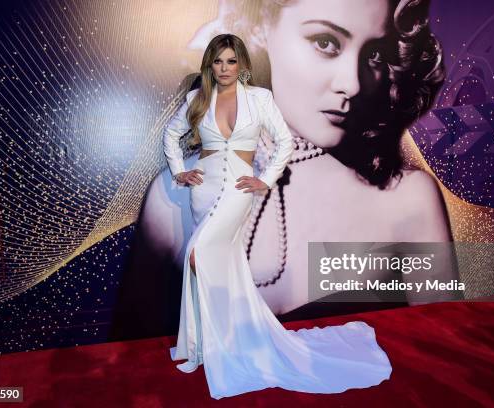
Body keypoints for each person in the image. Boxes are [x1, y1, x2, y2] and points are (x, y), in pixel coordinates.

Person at [140, 0, 458, 318]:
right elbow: (126, 362)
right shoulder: (173, 197)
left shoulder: (408, 201)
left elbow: (445, 358)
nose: (353, 84)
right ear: (259, 25)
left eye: (375, 53)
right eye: (325, 43)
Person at [163, 33, 391, 399]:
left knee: (198, 255)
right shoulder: (197, 98)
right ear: (210, 64)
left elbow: (283, 141)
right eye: (218, 62)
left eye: (231, 61)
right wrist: (178, 170)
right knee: (215, 266)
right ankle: (205, 346)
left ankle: (224, 347)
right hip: (203, 192)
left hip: (239, 190)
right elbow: (171, 135)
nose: (224, 68)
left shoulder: (259, 99)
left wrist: (265, 179)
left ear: (242, 65)